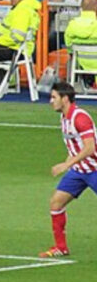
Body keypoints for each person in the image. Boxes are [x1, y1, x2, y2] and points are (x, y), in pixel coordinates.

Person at [45, 81, 97, 258]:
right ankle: (61, 247)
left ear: (65, 98)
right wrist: (70, 161)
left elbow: (90, 148)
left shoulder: (80, 118)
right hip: (80, 171)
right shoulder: (64, 118)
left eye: (54, 97)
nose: (51, 101)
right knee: (56, 203)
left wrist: (66, 165)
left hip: (95, 170)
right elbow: (77, 146)